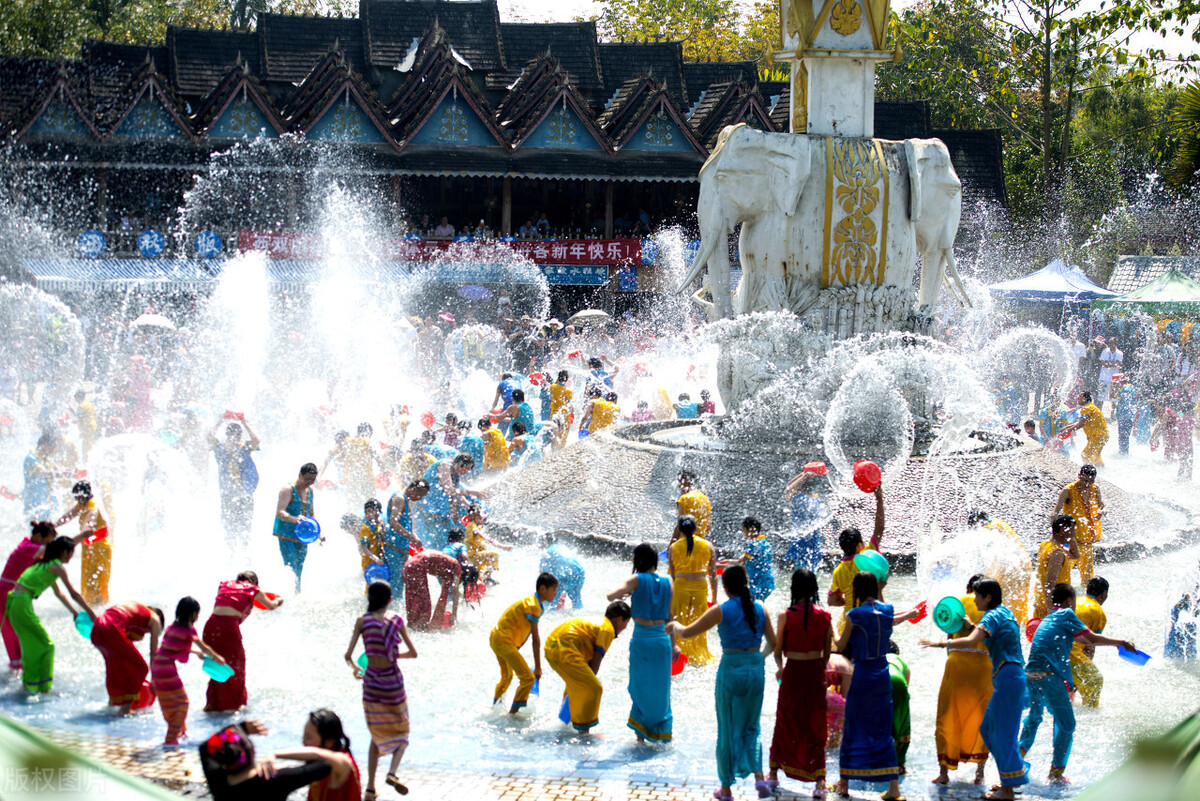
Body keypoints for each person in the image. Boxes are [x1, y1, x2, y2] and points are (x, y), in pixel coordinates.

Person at [669, 566, 777, 801]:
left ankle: (726, 790)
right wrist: (760, 657)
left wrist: (673, 626)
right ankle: (759, 777)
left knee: (727, 729)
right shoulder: (761, 608)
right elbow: (774, 643)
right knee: (752, 727)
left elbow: (687, 633)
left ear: (726, 587)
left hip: (731, 670)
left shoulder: (722, 610)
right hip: (755, 669)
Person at [921, 578, 1029, 800]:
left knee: (1002, 733)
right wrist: (971, 625)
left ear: (988, 597)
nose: (975, 599)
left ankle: (1009, 786)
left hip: (1008, 677)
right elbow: (985, 634)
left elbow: (971, 641)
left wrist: (941, 644)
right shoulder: (1003, 613)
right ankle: (1009, 779)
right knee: (989, 730)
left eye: (978, 596)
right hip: (1006, 677)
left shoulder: (992, 615)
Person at [1018, 583, 1135, 784]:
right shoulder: (1066, 614)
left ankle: (1014, 761)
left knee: (1035, 719)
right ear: (1070, 601)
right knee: (1067, 724)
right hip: (1049, 676)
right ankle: (1056, 774)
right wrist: (1121, 642)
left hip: (1031, 674)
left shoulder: (1049, 617)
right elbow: (1090, 639)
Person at [831, 572, 917, 799]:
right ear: (876, 588)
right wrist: (910, 614)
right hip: (882, 675)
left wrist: (832, 629)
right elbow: (892, 618)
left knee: (852, 727)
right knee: (882, 728)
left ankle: (844, 784)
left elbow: (840, 645)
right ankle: (894, 789)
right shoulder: (886, 611)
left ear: (857, 590)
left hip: (862, 676)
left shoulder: (854, 615)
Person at [345, 581, 417, 797]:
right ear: (390, 599)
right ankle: (392, 772)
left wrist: (358, 669)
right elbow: (413, 653)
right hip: (393, 684)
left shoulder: (362, 620)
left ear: (369, 598)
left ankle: (369, 789)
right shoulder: (396, 620)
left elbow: (348, 656)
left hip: (372, 685)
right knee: (402, 732)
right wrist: (396, 655)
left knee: (376, 735)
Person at [767, 568, 833, 796]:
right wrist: (820, 671)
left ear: (794, 588)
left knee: (786, 720)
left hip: (793, 672)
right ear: (814, 589)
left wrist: (780, 668)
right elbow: (827, 653)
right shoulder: (825, 616)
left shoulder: (785, 615)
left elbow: (777, 650)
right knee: (816, 725)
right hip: (814, 672)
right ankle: (819, 781)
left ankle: (774, 773)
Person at [6, 536, 96, 693]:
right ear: (63, 552)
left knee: (30, 645)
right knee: (47, 646)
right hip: (21, 604)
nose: (71, 556)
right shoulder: (57, 568)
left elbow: (59, 594)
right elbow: (73, 594)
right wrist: (92, 614)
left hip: (14, 603)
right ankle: (43, 688)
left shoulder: (43, 565)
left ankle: (29, 684)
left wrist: (75, 613)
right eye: (71, 552)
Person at [607, 543, 675, 743]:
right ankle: (662, 734)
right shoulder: (668, 580)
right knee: (662, 691)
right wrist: (676, 645)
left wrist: (624, 594)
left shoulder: (636, 579)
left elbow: (611, 595)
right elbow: (670, 617)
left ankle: (640, 739)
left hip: (643, 640)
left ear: (638, 561)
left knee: (639, 688)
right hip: (663, 641)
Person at [931, 575, 992, 786]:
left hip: (957, 666)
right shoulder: (993, 610)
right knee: (983, 719)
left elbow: (949, 640)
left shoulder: (956, 604)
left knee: (947, 716)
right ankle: (980, 773)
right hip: (984, 669)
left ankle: (944, 773)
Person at [200, 719, 352, 801]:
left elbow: (204, 748)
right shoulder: (274, 779)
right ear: (252, 751)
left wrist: (241, 728)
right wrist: (276, 754)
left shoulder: (218, 781)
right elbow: (329, 762)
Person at [543, 601, 631, 733]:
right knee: (594, 688)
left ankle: (563, 723)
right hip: (565, 650)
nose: (625, 627)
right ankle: (584, 732)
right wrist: (589, 682)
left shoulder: (597, 621)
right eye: (626, 623)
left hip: (551, 647)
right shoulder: (608, 630)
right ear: (619, 620)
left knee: (576, 685)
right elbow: (597, 659)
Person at [202, 571, 283, 713]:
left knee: (217, 665)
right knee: (237, 665)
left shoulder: (224, 585)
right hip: (228, 628)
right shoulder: (252, 589)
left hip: (210, 626)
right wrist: (279, 600)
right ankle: (234, 706)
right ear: (255, 582)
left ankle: (213, 704)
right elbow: (270, 606)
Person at [152, 596, 226, 745]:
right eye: (197, 614)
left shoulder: (171, 628)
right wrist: (218, 658)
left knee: (170, 701)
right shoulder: (189, 630)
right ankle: (170, 739)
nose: (198, 617)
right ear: (192, 614)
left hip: (157, 666)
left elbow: (171, 648)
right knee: (182, 704)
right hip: (166, 669)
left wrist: (194, 653)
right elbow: (204, 646)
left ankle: (181, 732)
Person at [490, 572, 558, 714]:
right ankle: (512, 715)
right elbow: (535, 639)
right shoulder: (533, 605)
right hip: (504, 641)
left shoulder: (534, 603)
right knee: (528, 678)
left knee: (507, 676)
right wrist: (538, 667)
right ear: (543, 589)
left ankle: (495, 706)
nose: (555, 593)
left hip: (496, 637)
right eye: (553, 590)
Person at [1, 521, 60, 672]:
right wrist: (79, 537)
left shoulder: (30, 545)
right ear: (38, 536)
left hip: (12, 594)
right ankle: (19, 668)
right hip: (5, 594)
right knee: (12, 632)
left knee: (15, 631)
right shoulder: (29, 548)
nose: (50, 545)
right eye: (49, 541)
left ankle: (19, 668)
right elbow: (54, 551)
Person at [828, 486, 886, 630]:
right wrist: (879, 499)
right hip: (870, 620)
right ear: (860, 545)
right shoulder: (867, 557)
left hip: (848, 623)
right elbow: (879, 529)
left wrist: (847, 600)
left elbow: (832, 600)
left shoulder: (839, 570)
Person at [91, 601, 164, 714]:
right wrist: (154, 681)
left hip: (97, 628)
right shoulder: (156, 620)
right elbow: (153, 654)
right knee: (140, 667)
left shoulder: (138, 610)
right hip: (112, 628)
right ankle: (126, 709)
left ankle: (112, 705)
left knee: (116, 669)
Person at [667, 515, 716, 666]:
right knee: (698, 622)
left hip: (680, 588)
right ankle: (697, 656)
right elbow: (713, 574)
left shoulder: (673, 548)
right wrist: (715, 598)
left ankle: (680, 655)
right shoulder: (708, 546)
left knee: (679, 621)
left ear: (680, 530)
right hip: (700, 588)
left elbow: (672, 576)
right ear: (696, 528)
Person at [966, 511, 1030, 624]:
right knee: (1018, 602)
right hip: (1023, 567)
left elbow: (994, 558)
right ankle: (1019, 628)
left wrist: (989, 581)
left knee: (1006, 602)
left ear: (978, 523)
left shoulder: (989, 530)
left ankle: (1009, 628)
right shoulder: (998, 523)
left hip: (1011, 572)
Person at [55, 479, 111, 605]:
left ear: (82, 494)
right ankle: (91, 606)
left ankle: (101, 609)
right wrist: (54, 525)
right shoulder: (82, 504)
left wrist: (84, 531)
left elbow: (89, 521)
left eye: (77, 496)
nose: (75, 499)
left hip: (100, 549)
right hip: (89, 547)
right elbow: (69, 515)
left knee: (98, 581)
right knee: (88, 580)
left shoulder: (92, 506)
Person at [208, 418, 261, 546]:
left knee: (245, 526)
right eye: (235, 435)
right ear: (228, 435)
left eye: (239, 435)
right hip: (227, 494)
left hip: (245, 493)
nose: (237, 438)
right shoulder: (219, 448)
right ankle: (231, 554)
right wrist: (220, 420)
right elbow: (208, 435)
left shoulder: (244, 448)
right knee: (229, 527)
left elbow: (257, 441)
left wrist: (245, 423)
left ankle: (245, 554)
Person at [421, 453, 483, 551]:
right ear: (459, 463)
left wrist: (470, 506)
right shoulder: (444, 466)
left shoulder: (456, 473)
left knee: (456, 537)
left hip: (441, 511)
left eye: (468, 470)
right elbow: (449, 490)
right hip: (426, 509)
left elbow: (458, 495)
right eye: (466, 469)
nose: (466, 472)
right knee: (434, 542)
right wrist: (471, 492)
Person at [1052, 464, 1103, 584]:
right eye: (1085, 481)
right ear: (1079, 475)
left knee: (1087, 580)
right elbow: (1055, 511)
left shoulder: (1095, 489)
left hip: (1087, 543)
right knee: (1062, 574)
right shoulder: (1068, 491)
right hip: (1069, 542)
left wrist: (1102, 511)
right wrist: (1054, 533)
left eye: (1091, 482)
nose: (1087, 485)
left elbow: (1102, 505)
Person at [299, 709, 362, 801]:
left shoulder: (341, 761)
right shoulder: (319, 763)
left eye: (308, 738)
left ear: (329, 742)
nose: (303, 742)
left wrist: (275, 755)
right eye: (303, 737)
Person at [274, 463, 318, 593]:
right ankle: (287, 593)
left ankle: (297, 592)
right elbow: (280, 512)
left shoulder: (310, 491)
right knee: (290, 564)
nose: (309, 482)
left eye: (312, 480)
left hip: (303, 536)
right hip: (286, 534)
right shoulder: (287, 490)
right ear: (300, 475)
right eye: (307, 479)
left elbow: (311, 513)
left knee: (299, 566)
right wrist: (294, 519)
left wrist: (318, 532)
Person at [1069, 576, 1111, 708]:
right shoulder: (1098, 612)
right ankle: (1090, 711)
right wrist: (1087, 667)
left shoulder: (1076, 601)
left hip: (1057, 646)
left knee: (1072, 677)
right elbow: (1091, 644)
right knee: (1095, 679)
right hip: (1072, 650)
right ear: (1103, 595)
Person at [384, 480, 429, 599]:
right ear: (414, 489)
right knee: (393, 579)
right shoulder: (399, 498)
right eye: (420, 495)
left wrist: (415, 536)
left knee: (401, 580)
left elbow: (410, 524)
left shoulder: (408, 500)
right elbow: (394, 522)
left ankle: (396, 609)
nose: (420, 499)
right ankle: (386, 610)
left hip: (403, 547)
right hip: (392, 546)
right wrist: (410, 536)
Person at [402, 550, 462, 630]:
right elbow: (455, 590)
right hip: (417, 566)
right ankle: (420, 634)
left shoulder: (450, 563)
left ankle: (413, 627)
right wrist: (454, 615)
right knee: (424, 606)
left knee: (414, 601)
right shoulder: (457, 567)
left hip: (408, 565)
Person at [1033, 515, 1079, 620]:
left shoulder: (1046, 544)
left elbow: (1075, 556)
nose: (1074, 533)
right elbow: (1049, 584)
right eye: (1072, 530)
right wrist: (1051, 613)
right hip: (1053, 609)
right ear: (1063, 529)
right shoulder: (1057, 554)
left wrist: (1071, 540)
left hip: (1041, 604)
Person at [718, 516, 775, 601]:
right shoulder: (765, 542)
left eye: (744, 530)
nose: (744, 534)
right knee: (757, 604)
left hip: (757, 583)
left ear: (751, 529)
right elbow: (744, 560)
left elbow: (741, 563)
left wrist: (718, 566)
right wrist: (728, 561)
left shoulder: (753, 546)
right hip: (768, 582)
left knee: (749, 606)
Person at [464, 505, 508, 583]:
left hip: (478, 556)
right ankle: (487, 577)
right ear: (471, 515)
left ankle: (484, 578)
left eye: (480, 513)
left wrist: (502, 546)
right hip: (473, 556)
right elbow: (483, 536)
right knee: (494, 555)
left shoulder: (477, 527)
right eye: (478, 514)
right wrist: (502, 546)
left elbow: (488, 538)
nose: (480, 516)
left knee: (477, 577)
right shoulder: (471, 525)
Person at [541, 535, 586, 608]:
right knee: (576, 600)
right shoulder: (563, 547)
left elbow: (543, 577)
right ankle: (580, 615)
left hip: (564, 576)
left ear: (545, 543)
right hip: (580, 572)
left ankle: (552, 618)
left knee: (550, 605)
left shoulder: (546, 553)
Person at [887, 642, 911, 775]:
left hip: (881, 678)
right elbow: (905, 688)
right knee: (902, 722)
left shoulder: (877, 657)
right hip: (899, 682)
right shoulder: (902, 662)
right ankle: (900, 764)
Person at [22, 432, 58, 520]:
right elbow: (45, 473)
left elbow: (59, 470)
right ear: (45, 445)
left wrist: (74, 472)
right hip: (34, 510)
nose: (52, 452)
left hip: (49, 508)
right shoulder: (31, 458)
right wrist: (62, 474)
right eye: (51, 449)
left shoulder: (47, 459)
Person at [1067, 391, 1108, 467]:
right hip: (1102, 435)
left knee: (1085, 455)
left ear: (1085, 399)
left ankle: (1088, 473)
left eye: (1080, 396)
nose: (1077, 398)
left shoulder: (1087, 408)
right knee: (1095, 456)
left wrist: (1067, 431)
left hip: (1098, 436)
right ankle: (1100, 473)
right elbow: (1080, 422)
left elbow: (1081, 424)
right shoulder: (1090, 406)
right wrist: (1068, 427)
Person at [675, 469, 712, 540]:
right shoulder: (705, 499)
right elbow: (708, 528)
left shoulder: (683, 499)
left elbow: (679, 526)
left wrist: (672, 544)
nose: (679, 487)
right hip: (700, 542)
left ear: (687, 481)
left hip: (684, 543)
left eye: (680, 483)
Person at [76, 389, 97, 460]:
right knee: (92, 448)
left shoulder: (81, 406)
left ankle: (86, 466)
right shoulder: (88, 403)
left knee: (86, 451)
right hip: (93, 428)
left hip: (87, 430)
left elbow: (78, 419)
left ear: (78, 397)